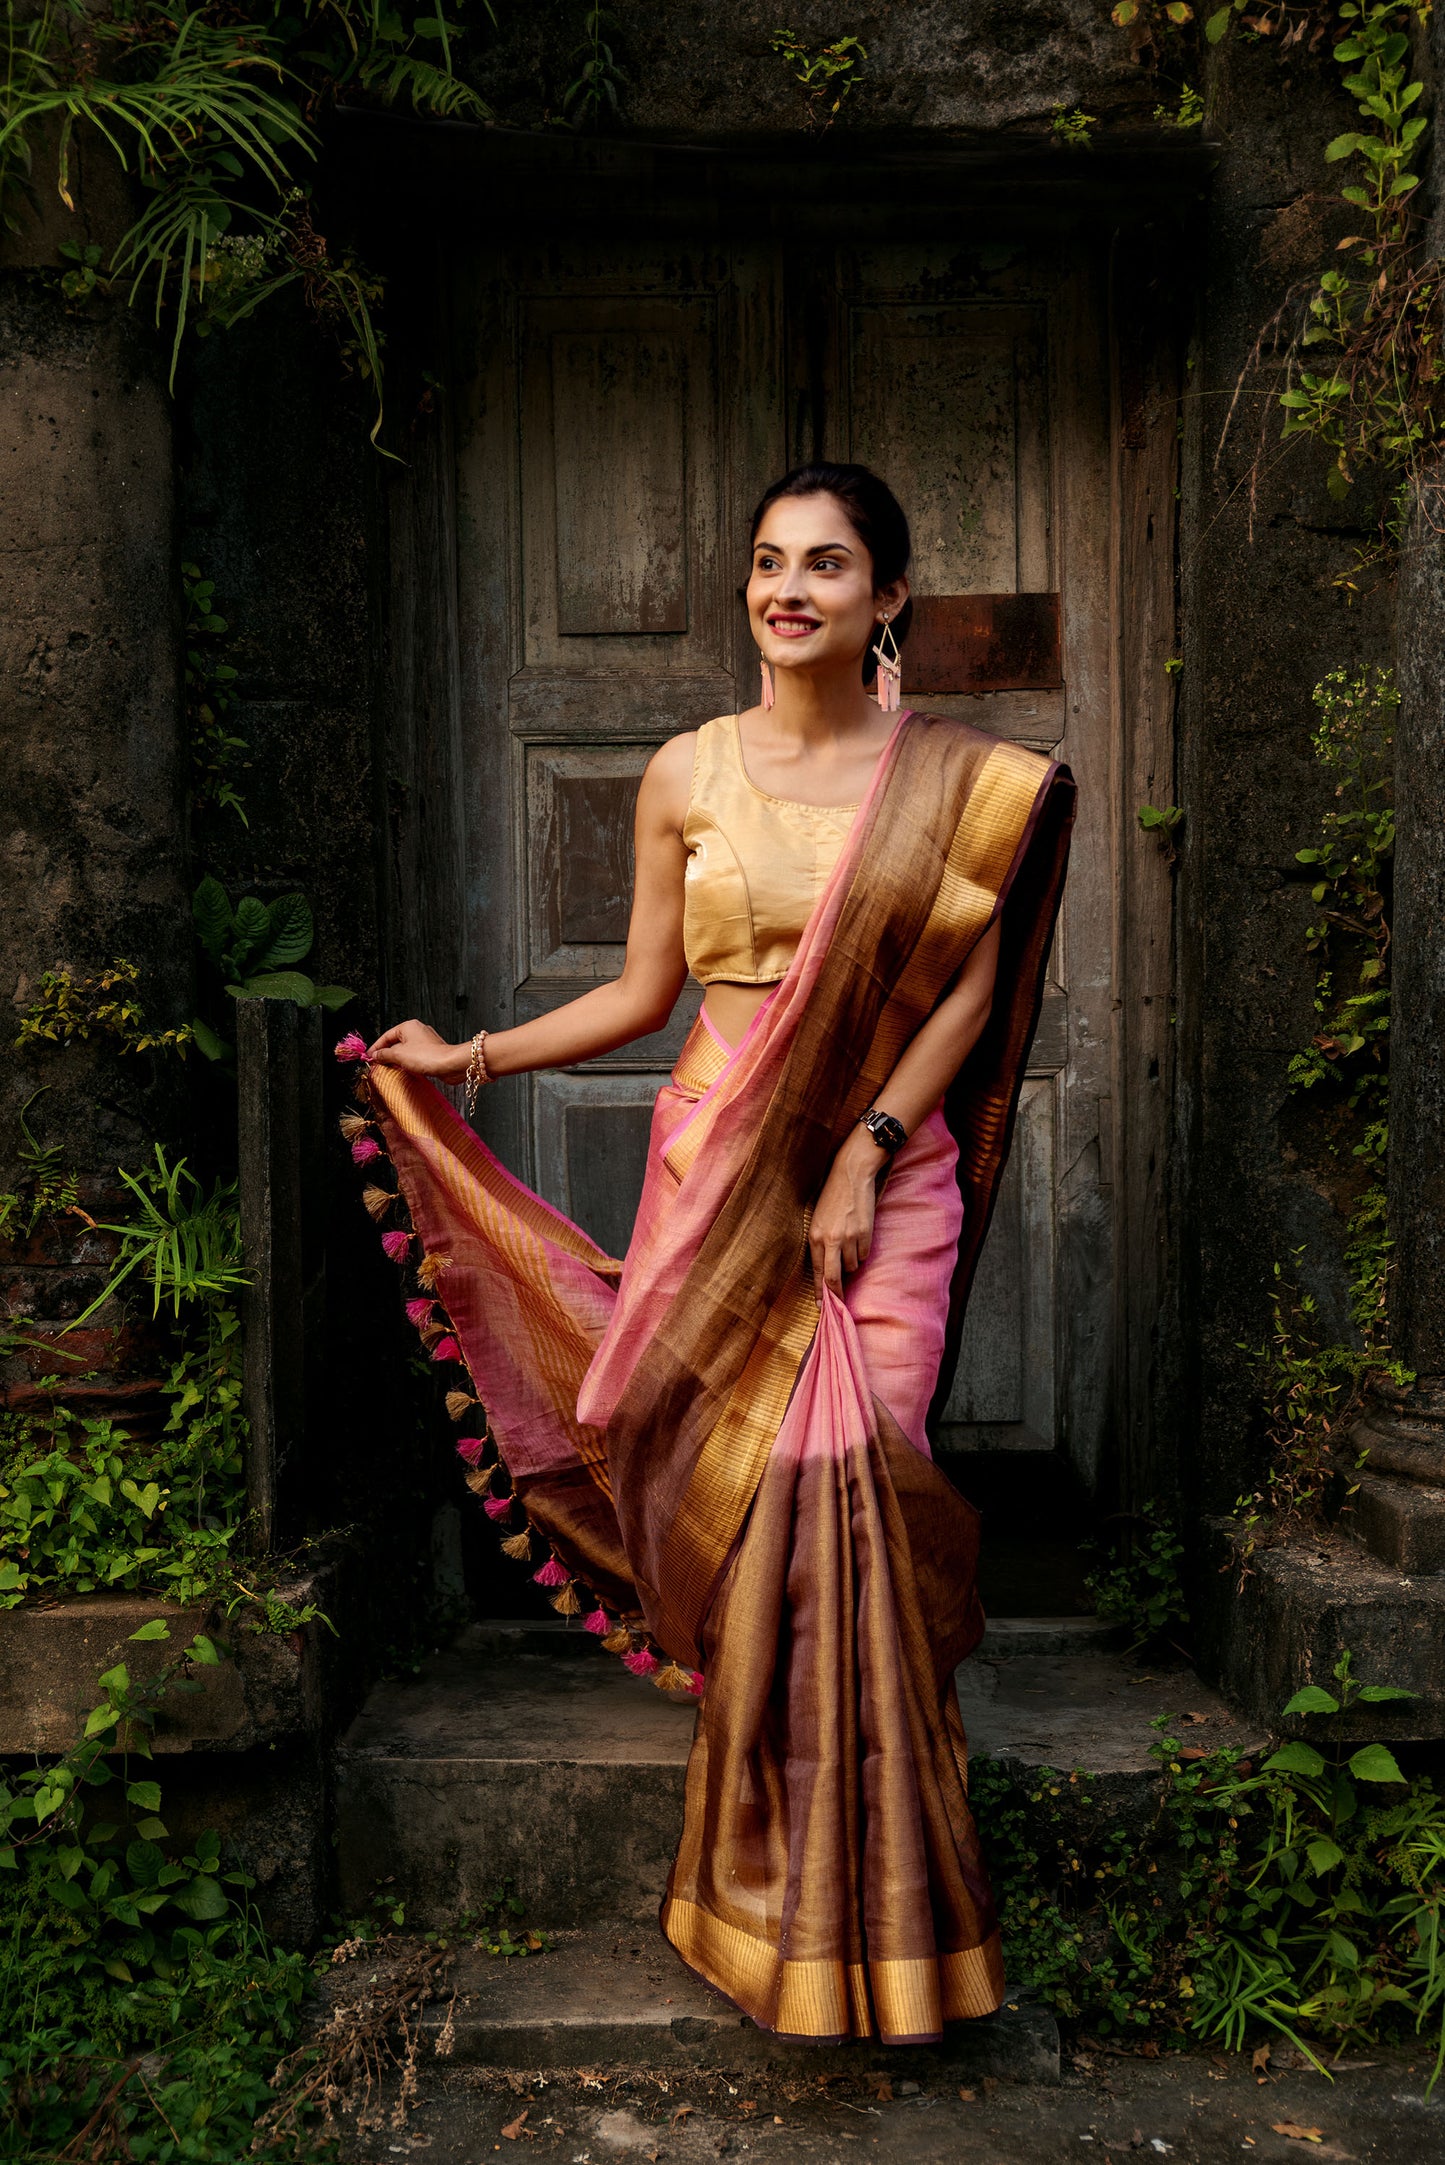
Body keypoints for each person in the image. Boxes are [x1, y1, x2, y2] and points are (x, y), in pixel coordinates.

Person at [351, 462, 1075, 2044]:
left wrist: (867, 1153)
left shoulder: (957, 780)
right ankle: (766, 1891)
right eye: (765, 561)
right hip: (713, 1175)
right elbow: (637, 996)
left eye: (826, 564)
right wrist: (467, 1055)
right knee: (755, 1521)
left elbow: (965, 989)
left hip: (882, 1183)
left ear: (888, 598)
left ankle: (884, 1914)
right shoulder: (684, 772)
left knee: (851, 1497)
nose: (787, 588)